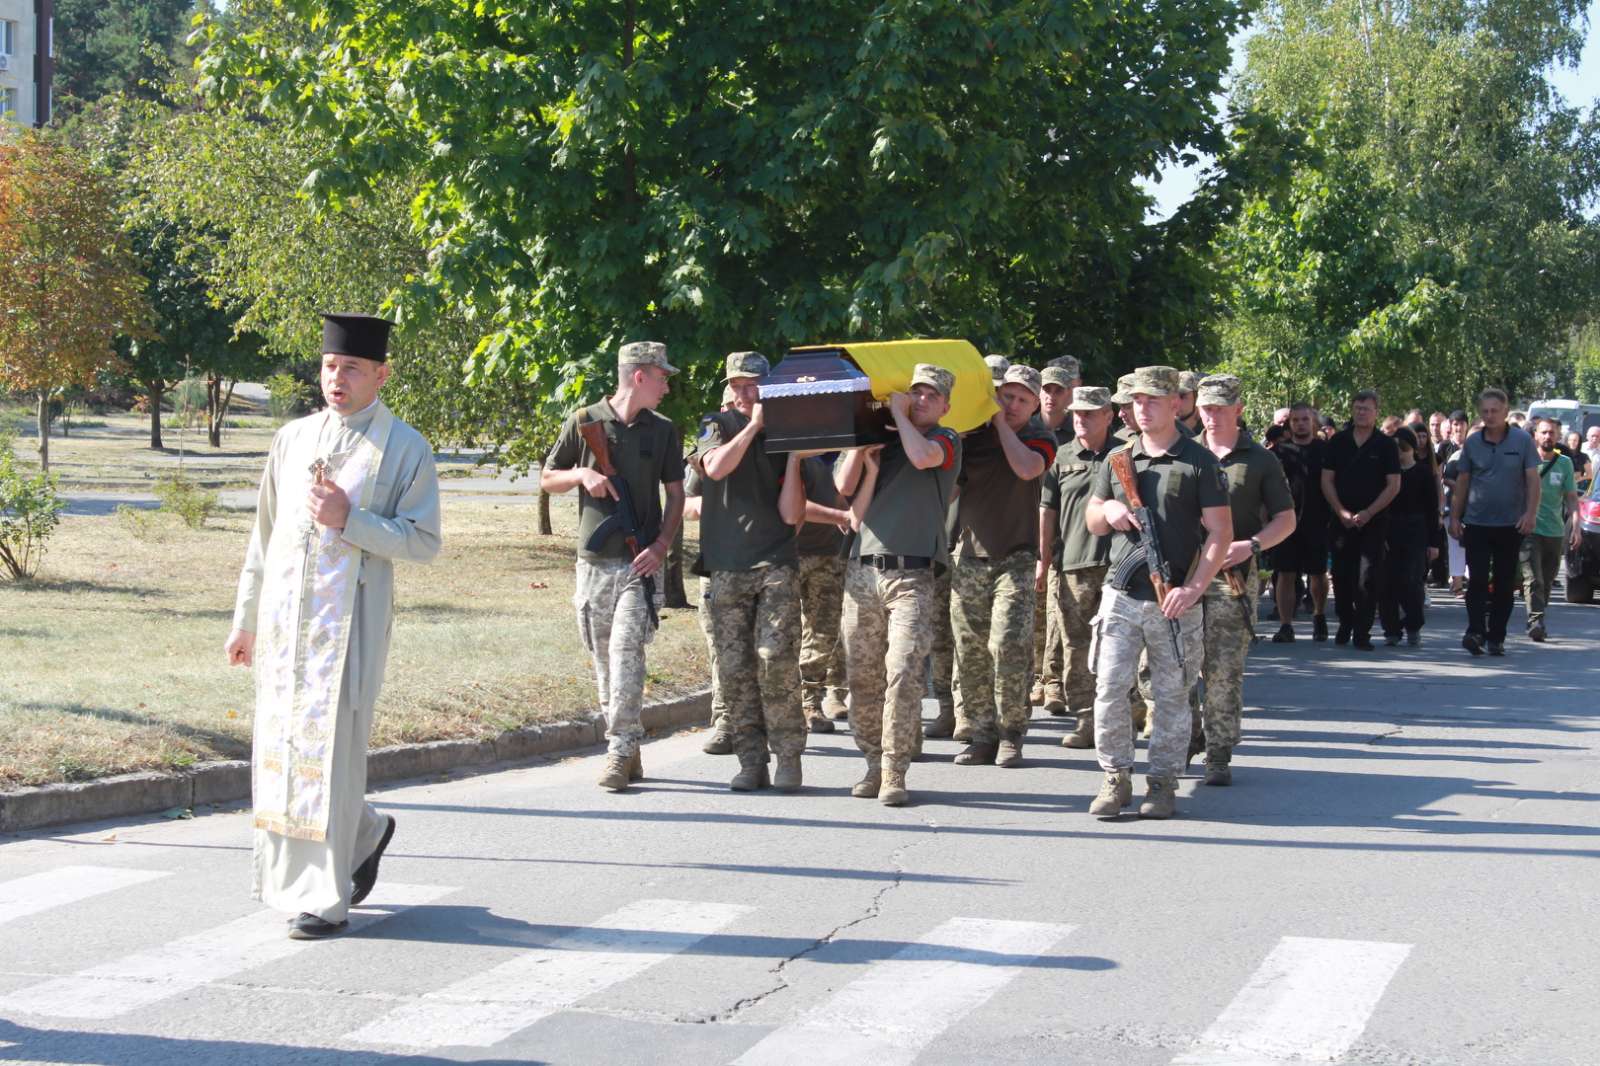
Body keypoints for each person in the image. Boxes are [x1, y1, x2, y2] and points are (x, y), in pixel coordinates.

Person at [225, 313, 441, 940]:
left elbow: (424, 541)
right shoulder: (292, 439)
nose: (336, 378)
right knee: (282, 751)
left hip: (348, 631)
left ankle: (325, 897)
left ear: (380, 374)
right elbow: (262, 538)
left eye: (350, 368)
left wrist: (352, 519)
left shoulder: (404, 447)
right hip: (284, 630)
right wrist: (245, 621)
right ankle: (363, 833)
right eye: (328, 366)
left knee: (334, 755)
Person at [1085, 366, 1231, 820]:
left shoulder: (1199, 462)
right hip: (1121, 594)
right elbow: (1091, 517)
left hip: (1172, 600)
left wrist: (1193, 588)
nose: (1141, 408)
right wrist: (1109, 508)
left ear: (1175, 404)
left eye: (1152, 400)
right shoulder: (1119, 458)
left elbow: (1220, 534)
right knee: (1109, 688)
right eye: (1136, 401)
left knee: (1171, 695)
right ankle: (1115, 777)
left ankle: (1163, 782)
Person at [542, 341, 685, 789]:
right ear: (639, 376)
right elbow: (548, 477)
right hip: (594, 564)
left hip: (641, 563)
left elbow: (677, 494)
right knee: (604, 661)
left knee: (626, 654)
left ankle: (619, 749)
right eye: (662, 377)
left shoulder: (663, 430)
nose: (666, 385)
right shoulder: (585, 421)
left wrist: (662, 545)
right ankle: (628, 747)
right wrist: (582, 474)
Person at [836, 364, 962, 807]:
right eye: (915, 393)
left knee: (905, 673)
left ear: (946, 405)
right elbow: (844, 489)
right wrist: (864, 454)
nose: (921, 400)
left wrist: (902, 417)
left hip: (912, 574)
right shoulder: (883, 437)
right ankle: (872, 762)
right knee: (862, 675)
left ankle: (894, 768)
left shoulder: (946, 440)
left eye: (931, 395)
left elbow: (924, 457)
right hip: (862, 570)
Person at [695, 352, 815, 791]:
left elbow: (791, 515)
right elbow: (715, 467)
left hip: (775, 564)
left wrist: (796, 461)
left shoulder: (789, 433)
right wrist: (753, 428)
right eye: (738, 386)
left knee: (775, 662)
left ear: (768, 387)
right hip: (726, 566)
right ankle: (750, 760)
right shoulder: (715, 424)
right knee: (734, 669)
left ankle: (788, 757)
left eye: (753, 385)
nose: (746, 393)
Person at [950, 365, 1056, 767]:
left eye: (1021, 400)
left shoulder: (1038, 437)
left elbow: (1028, 468)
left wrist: (998, 424)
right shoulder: (973, 437)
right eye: (1005, 396)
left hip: (1017, 556)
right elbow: (949, 485)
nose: (1011, 405)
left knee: (1008, 645)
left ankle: (1011, 732)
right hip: (970, 557)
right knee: (971, 650)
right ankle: (981, 734)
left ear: (1033, 405)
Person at [1194, 376, 1295, 785]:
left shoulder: (1259, 460)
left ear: (1238, 409)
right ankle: (1185, 734)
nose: (1212, 415)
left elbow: (1286, 519)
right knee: (1168, 664)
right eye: (1206, 408)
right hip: (1180, 572)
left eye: (1220, 408)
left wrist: (1251, 545)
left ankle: (1218, 751)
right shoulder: (1184, 450)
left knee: (1222, 667)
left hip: (1230, 574)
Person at [1039, 386, 1118, 750]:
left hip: (1119, 566)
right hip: (1073, 564)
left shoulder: (1125, 453)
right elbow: (1048, 510)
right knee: (1076, 646)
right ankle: (1085, 718)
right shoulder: (1063, 455)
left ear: (1108, 415)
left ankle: (1123, 716)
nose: (1080, 419)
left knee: (1122, 646)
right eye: (1076, 413)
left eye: (1089, 413)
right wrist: (1044, 559)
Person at [1449, 388, 1539, 656]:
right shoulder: (1473, 443)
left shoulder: (1522, 441)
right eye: (1485, 411)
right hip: (1477, 523)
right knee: (1476, 580)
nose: (1489, 416)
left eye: (1494, 411)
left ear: (1505, 410)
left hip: (1510, 524)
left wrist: (1530, 513)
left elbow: (1533, 480)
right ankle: (1475, 631)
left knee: (1503, 582)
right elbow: (1463, 483)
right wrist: (1455, 516)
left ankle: (1496, 636)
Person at [1321, 389, 1402, 651]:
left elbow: (1393, 485)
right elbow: (1326, 480)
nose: (1361, 412)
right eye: (1357, 408)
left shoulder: (1386, 445)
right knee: (1342, 576)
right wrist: (1341, 511)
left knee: (1367, 577)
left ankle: (1362, 631)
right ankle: (1345, 621)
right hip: (1342, 521)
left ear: (1376, 412)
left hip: (1374, 521)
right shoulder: (1338, 442)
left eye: (1366, 408)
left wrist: (1369, 512)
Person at [1031, 358, 1081, 714]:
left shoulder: (1076, 434)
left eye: (1057, 390)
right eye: (1045, 389)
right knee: (1034, 613)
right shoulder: (1026, 429)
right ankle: (1036, 677)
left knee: (1058, 613)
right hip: (1023, 530)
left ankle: (1053, 682)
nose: (1050, 396)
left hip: (1064, 535)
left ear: (1069, 394)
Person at [796, 457, 854, 732]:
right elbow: (794, 505)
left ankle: (810, 702)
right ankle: (784, 704)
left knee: (823, 635)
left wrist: (845, 511)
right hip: (784, 555)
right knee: (780, 635)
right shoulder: (785, 448)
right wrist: (841, 516)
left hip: (829, 554)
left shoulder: (829, 447)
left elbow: (838, 496)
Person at [1269, 403, 1331, 642]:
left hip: (1317, 519)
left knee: (1317, 573)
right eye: (1295, 420)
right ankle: (1286, 624)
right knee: (1285, 573)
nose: (1300, 424)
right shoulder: (1278, 453)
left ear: (1313, 422)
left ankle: (1319, 614)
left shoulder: (1325, 450)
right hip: (1285, 520)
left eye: (1305, 419)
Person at [1376, 427, 1440, 646]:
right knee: (1386, 583)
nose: (1399, 452)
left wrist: (1433, 542)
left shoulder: (1422, 473)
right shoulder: (1385, 473)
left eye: (1402, 447)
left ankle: (1413, 623)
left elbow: (1432, 509)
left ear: (1411, 448)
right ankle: (1391, 629)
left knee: (1411, 581)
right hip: (1388, 528)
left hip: (1415, 530)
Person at [1522, 418, 1579, 642]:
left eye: (1552, 433)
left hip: (1554, 532)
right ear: (1535, 435)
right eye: (1544, 432)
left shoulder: (1564, 463)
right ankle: (1536, 621)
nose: (1548, 436)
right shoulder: (1526, 460)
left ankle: (1538, 616)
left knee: (1546, 579)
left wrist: (1576, 526)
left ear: (1558, 437)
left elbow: (1572, 498)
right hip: (1529, 528)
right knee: (1533, 578)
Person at [1175, 370, 1203, 436]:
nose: (1175, 402)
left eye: (1182, 396)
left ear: (1197, 398)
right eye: (1172, 396)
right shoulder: (1162, 434)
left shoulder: (1209, 435)